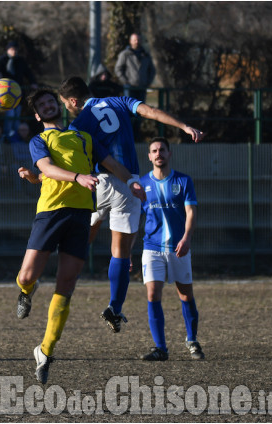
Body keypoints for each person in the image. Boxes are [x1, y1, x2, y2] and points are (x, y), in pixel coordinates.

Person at [15, 89, 145, 384]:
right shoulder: (40, 140)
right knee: (26, 276)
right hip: (51, 212)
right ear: (37, 115)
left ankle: (45, 351)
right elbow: (46, 168)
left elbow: (110, 162)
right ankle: (26, 291)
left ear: (58, 106)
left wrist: (133, 181)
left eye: (51, 101)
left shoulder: (85, 138)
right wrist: (76, 177)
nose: (48, 106)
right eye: (42, 105)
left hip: (79, 215)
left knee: (67, 285)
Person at [57, 76, 204, 334]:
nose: (66, 109)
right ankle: (114, 306)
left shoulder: (78, 123)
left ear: (74, 101)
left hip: (95, 183)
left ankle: (63, 287)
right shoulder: (120, 101)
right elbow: (152, 112)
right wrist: (183, 126)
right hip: (126, 183)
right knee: (121, 253)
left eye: (65, 104)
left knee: (81, 241)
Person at [139, 137, 204, 361]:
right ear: (149, 156)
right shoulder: (141, 184)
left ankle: (192, 340)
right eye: (154, 151)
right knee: (152, 294)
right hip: (152, 248)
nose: (158, 154)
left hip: (179, 247)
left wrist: (186, 238)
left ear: (169, 153)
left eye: (162, 150)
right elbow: (132, 218)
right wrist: (126, 252)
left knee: (185, 294)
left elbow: (191, 213)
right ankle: (160, 348)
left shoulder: (184, 181)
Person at [0, 41, 38, 136]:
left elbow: (28, 73)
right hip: (6, 93)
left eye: (15, 50)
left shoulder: (20, 61)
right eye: (12, 49)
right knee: (10, 114)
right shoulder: (2, 60)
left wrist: (33, 82)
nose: (14, 52)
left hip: (18, 92)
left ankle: (16, 135)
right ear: (7, 50)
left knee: (17, 115)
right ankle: (7, 134)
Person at [114, 33, 156, 103]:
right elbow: (118, 69)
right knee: (129, 108)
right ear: (130, 41)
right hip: (130, 88)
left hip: (142, 88)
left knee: (141, 109)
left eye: (138, 40)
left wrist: (147, 82)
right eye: (135, 40)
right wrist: (125, 82)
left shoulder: (145, 55)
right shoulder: (125, 54)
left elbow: (152, 70)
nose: (137, 42)